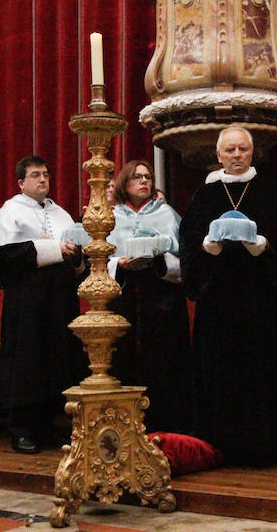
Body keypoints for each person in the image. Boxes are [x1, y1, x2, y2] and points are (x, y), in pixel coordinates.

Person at [179, 125, 277, 465]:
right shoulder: (204, 197)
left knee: (261, 371)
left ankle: (265, 446)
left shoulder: (270, 193)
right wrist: (206, 249)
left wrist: (265, 246)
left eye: (243, 149)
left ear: (252, 152)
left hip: (260, 299)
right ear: (218, 156)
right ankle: (216, 444)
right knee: (219, 370)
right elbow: (188, 243)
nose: (237, 156)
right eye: (230, 150)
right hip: (218, 300)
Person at [0, 156, 87, 454]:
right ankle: (21, 428)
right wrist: (57, 249)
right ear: (21, 182)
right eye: (35, 175)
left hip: (59, 297)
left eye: (46, 174)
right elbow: (7, 254)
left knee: (56, 357)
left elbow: (76, 250)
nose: (43, 179)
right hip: (27, 299)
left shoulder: (61, 213)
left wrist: (75, 254)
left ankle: (47, 425)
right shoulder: (10, 212)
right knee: (26, 359)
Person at [106, 160, 191, 433]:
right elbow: (96, 258)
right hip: (124, 296)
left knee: (164, 360)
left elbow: (185, 259)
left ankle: (166, 423)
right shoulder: (111, 216)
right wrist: (118, 264)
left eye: (147, 177)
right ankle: (125, 423)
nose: (144, 181)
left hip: (161, 297)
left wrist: (158, 259)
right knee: (125, 358)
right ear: (124, 182)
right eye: (136, 177)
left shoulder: (166, 213)